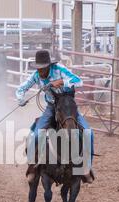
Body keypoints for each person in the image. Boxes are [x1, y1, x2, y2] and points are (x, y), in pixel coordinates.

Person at [16, 50, 94, 183]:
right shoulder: (36, 76)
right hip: (52, 107)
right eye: (38, 69)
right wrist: (20, 99)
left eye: (43, 68)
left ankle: (85, 167)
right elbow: (21, 89)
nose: (40, 71)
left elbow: (78, 81)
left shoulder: (59, 69)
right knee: (36, 135)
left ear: (48, 66)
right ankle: (33, 168)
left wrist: (61, 82)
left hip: (68, 106)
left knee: (88, 133)